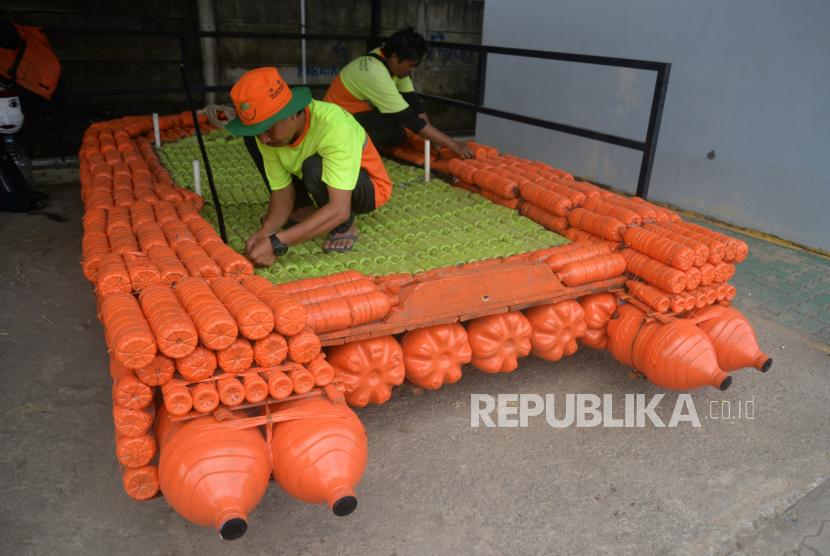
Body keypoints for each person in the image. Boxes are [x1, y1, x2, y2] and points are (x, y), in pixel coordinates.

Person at [225, 67, 392, 265]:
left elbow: (340, 208)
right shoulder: (267, 137)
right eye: (258, 130)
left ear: (292, 114)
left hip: (367, 189)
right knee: (256, 142)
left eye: (269, 129)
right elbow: (282, 192)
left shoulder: (334, 126)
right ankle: (304, 210)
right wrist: (266, 231)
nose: (264, 138)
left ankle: (345, 227)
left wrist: (277, 242)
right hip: (320, 180)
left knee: (314, 167)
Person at [324, 27, 474, 160]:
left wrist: (435, 139)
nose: (413, 70)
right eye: (411, 65)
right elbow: (411, 119)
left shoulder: (384, 59)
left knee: (399, 135)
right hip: (333, 126)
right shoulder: (375, 74)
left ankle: (363, 146)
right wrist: (453, 144)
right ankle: (348, 154)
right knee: (392, 124)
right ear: (395, 58)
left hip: (352, 116)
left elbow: (414, 103)